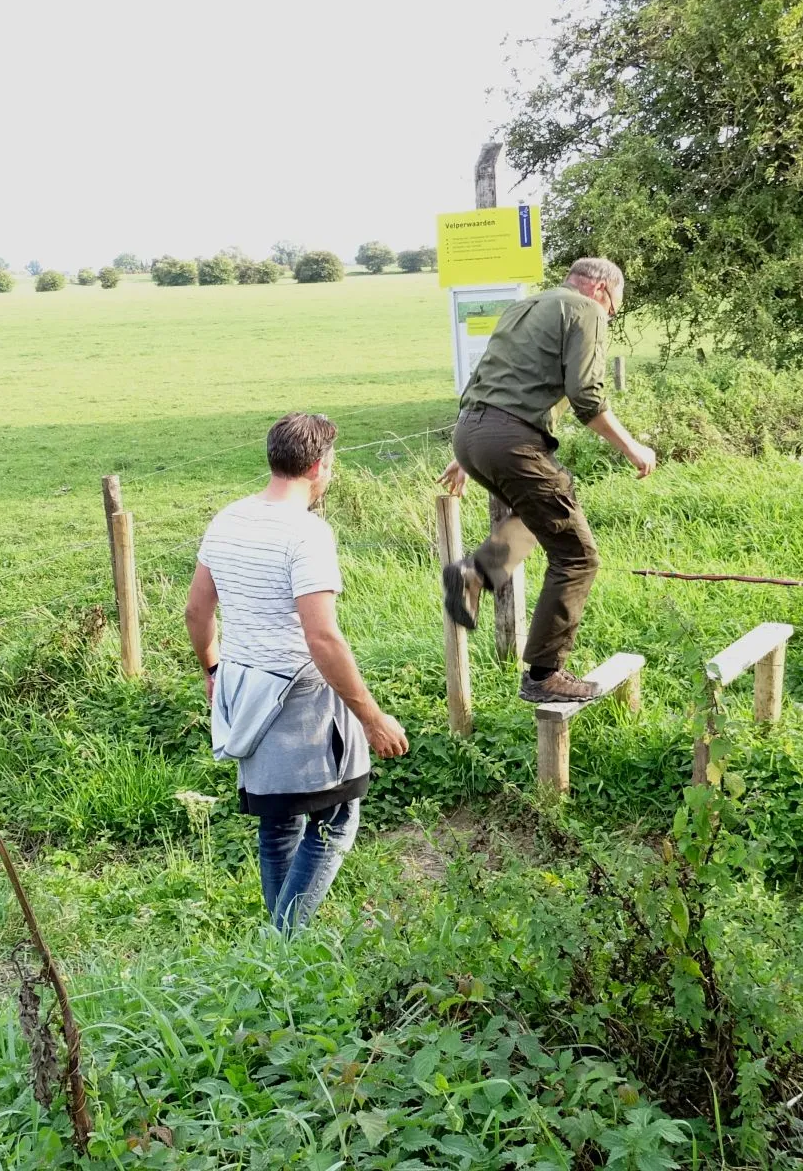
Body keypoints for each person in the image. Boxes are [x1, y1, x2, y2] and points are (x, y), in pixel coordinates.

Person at [186, 411, 410, 933]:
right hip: (301, 697)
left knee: (278, 821)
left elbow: (197, 611)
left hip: (246, 688)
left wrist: (214, 668)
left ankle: (279, 947)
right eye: (330, 464)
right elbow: (322, 637)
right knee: (337, 819)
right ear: (317, 465)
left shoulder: (228, 519)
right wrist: (372, 718)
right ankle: (285, 940)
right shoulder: (307, 534)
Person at [439, 257, 657, 704]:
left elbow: (489, 378)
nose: (611, 315)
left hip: (472, 431)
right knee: (578, 556)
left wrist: (468, 453)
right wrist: (632, 447)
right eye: (615, 306)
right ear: (601, 290)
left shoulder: (526, 306)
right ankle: (544, 674)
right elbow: (585, 395)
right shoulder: (587, 310)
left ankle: (474, 575)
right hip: (512, 437)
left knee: (538, 517)